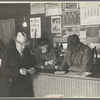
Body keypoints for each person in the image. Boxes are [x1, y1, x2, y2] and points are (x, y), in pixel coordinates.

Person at [0, 32, 35, 97]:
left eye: (25, 44)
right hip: (13, 86)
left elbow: (32, 64)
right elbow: (3, 68)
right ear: (16, 43)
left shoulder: (27, 52)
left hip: (26, 87)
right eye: (21, 44)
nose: (24, 47)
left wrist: (32, 69)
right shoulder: (8, 53)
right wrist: (18, 71)